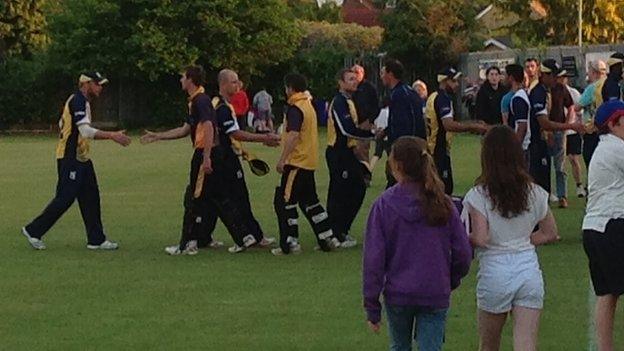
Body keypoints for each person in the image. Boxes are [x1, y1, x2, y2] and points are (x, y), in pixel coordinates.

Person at [140, 65, 279, 255]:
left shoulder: (204, 101)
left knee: (203, 199)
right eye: (234, 81)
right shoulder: (206, 102)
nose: (238, 84)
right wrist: (158, 136)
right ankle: (237, 237)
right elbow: (188, 129)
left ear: (190, 80)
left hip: (213, 155)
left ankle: (192, 243)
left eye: (182, 77)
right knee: (214, 199)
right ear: (222, 84)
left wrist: (206, 156)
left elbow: (210, 128)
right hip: (217, 156)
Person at [363, 136, 472, 351]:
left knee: (399, 346)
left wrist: (372, 305)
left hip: (398, 293)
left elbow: (374, 259)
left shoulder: (384, 206)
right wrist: (451, 279)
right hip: (434, 290)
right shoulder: (443, 203)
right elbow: (463, 252)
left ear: (398, 166)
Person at [465, 125, 559, 351]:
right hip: (528, 269)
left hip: (495, 269)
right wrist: (524, 240)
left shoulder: (478, 195)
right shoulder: (535, 192)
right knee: (526, 343)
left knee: (489, 345)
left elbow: (480, 237)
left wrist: (462, 238)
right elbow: (550, 232)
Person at [21, 72, 131, 251]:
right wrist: (112, 135)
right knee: (65, 198)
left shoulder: (81, 101)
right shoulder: (78, 100)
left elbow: (63, 124)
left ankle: (96, 239)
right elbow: (86, 131)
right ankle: (33, 230)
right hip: (70, 158)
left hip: (81, 158)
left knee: (91, 196)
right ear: (86, 84)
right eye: (98, 84)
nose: (100, 88)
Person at [272, 73, 339, 255]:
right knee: (311, 203)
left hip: (296, 163)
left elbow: (294, 135)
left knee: (285, 202)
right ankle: (327, 237)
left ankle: (290, 242)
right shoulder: (309, 106)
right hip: (308, 163)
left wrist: (283, 160)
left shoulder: (296, 108)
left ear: (290, 88)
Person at [582, 100, 624, 351]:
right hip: (612, 226)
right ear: (613, 123)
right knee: (609, 294)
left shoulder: (606, 147)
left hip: (597, 228)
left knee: (607, 294)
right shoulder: (615, 149)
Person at [326, 68, 376, 249]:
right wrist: (371, 134)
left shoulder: (348, 101)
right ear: (340, 83)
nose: (354, 82)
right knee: (341, 192)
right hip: (338, 152)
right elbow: (346, 129)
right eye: (350, 79)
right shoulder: (339, 101)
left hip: (347, 152)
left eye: (355, 79)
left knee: (356, 187)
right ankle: (336, 232)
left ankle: (337, 230)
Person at [425, 67, 489, 195]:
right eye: (453, 81)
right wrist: (473, 127)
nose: (457, 85)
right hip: (439, 150)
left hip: (433, 148)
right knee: (444, 190)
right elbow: (448, 125)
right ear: (445, 81)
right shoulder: (443, 98)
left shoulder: (433, 96)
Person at [527, 59, 585, 196]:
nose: (556, 79)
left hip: (547, 138)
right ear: (544, 75)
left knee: (556, 169)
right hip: (537, 143)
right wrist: (570, 126)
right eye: (553, 76)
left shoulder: (549, 89)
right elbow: (544, 123)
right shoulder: (538, 93)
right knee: (539, 183)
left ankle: (559, 196)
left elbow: (569, 105)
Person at [377, 59, 426, 188]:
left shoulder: (399, 95)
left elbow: (404, 124)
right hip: (411, 145)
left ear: (390, 74)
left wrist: (399, 148)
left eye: (383, 73)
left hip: (406, 149)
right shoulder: (406, 92)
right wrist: (386, 131)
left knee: (397, 183)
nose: (381, 76)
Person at [547, 70, 577, 208]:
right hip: (545, 131)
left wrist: (567, 124)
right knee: (544, 166)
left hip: (559, 131)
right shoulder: (542, 89)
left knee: (560, 166)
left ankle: (562, 196)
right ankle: (546, 195)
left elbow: (570, 105)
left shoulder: (561, 89)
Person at [576, 60, 607, 168]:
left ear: (594, 72)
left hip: (592, 129)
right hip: (607, 129)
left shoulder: (592, 88)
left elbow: (577, 106)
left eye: (589, 71)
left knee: (590, 161)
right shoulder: (609, 86)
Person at [352, 64, 380, 184]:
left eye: (357, 73)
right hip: (353, 122)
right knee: (353, 150)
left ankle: (366, 177)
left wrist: (370, 121)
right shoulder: (351, 88)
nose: (355, 75)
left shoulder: (369, 88)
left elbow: (376, 106)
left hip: (365, 122)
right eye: (353, 73)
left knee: (363, 150)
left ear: (362, 74)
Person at [561, 76, 586, 198]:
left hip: (572, 131)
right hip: (560, 131)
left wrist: (580, 127)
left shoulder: (573, 93)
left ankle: (579, 185)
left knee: (573, 159)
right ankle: (562, 192)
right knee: (560, 163)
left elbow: (580, 110)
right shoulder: (553, 92)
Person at [504, 64, 531, 154]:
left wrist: (516, 149)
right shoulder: (521, 95)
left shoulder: (518, 98)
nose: (504, 78)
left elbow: (522, 125)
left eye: (505, 76)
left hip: (523, 148)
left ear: (511, 78)